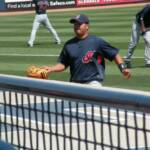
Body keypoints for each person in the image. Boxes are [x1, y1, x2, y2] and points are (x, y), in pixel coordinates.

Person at [42, 14, 131, 87]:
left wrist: (123, 68)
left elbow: (114, 54)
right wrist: (51, 68)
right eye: (75, 24)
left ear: (87, 26)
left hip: (93, 83)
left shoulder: (97, 41)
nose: (76, 26)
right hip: (74, 84)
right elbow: (63, 64)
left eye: (79, 24)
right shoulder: (69, 45)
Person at [125, 4, 150, 68]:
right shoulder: (148, 7)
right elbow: (141, 17)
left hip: (148, 26)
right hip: (138, 24)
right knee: (134, 43)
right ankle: (127, 59)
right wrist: (143, 27)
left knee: (149, 42)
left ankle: (148, 61)